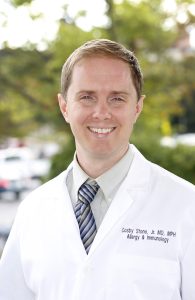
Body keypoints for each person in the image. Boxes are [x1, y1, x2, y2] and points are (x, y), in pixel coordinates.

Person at [0, 39, 195, 300]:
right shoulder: (32, 211)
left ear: (137, 107)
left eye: (117, 98)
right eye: (87, 97)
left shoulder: (186, 206)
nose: (101, 113)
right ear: (64, 106)